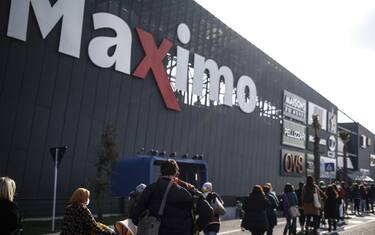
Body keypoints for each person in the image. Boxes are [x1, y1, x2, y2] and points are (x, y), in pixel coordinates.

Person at [130, 159, 195, 235]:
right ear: (176, 174)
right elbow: (192, 218)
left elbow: (136, 213)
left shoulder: (151, 189)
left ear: (161, 172)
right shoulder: (185, 193)